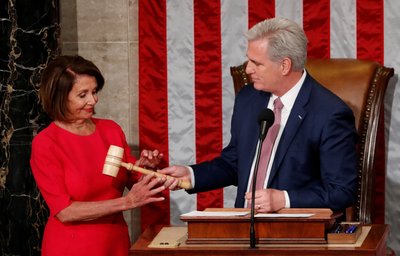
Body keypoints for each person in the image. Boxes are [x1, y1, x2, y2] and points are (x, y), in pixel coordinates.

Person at [159, 17, 358, 214]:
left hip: (297, 234)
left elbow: (341, 191)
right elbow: (235, 162)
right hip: (244, 228)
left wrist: (284, 199)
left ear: (284, 66)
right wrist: (191, 175)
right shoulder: (248, 98)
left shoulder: (330, 113)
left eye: (257, 63)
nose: (247, 69)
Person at [30, 55, 166, 256]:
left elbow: (133, 180)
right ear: (59, 96)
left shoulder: (111, 130)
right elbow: (65, 212)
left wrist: (147, 168)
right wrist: (127, 202)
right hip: (71, 247)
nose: (93, 100)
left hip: (115, 243)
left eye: (94, 92)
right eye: (82, 94)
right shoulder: (46, 143)